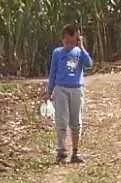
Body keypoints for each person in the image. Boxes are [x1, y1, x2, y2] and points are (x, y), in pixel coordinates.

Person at [43, 24, 93, 164]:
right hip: (60, 89)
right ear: (62, 39)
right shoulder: (57, 53)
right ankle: (61, 151)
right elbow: (52, 73)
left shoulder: (79, 52)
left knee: (76, 122)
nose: (70, 45)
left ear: (77, 39)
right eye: (67, 42)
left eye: (73, 41)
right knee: (61, 121)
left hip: (76, 89)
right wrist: (49, 92)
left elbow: (89, 64)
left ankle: (75, 152)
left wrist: (82, 47)